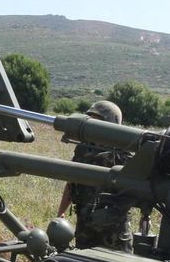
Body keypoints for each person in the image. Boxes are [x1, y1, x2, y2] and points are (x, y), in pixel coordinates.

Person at [57, 100, 133, 251]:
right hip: (85, 224)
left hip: (114, 229)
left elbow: (137, 190)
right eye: (91, 120)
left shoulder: (124, 153)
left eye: (97, 121)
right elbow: (72, 182)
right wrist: (61, 212)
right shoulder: (83, 149)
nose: (92, 126)